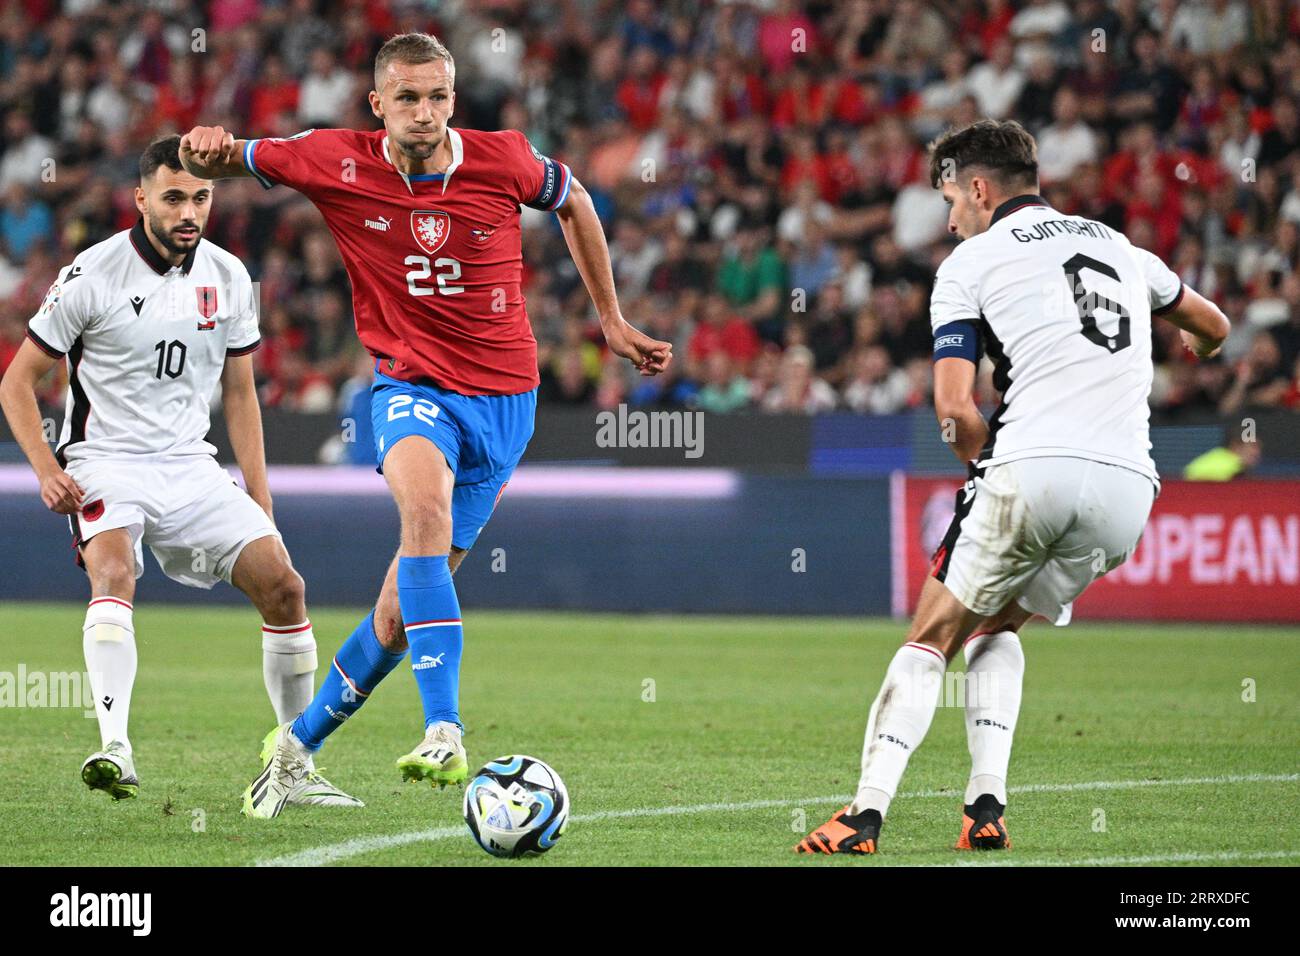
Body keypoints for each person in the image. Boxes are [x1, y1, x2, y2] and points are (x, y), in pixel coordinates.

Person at [178, 32, 672, 818]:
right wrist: (205, 147)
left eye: (437, 96)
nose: (424, 112)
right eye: (406, 98)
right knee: (424, 516)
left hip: (507, 404)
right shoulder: (333, 158)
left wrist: (610, 320)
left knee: (396, 617)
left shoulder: (503, 158)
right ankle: (444, 727)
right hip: (411, 388)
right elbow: (227, 155)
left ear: (453, 99)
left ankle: (293, 750)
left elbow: (575, 200)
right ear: (377, 104)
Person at [795, 119, 1230, 855]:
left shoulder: (971, 263)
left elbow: (954, 408)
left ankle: (864, 814)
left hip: (1033, 466)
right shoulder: (1122, 247)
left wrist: (985, 471)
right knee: (996, 626)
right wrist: (1198, 344)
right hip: (1129, 492)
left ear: (978, 187)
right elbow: (1212, 324)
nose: (951, 217)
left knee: (930, 636)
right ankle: (985, 808)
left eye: (950, 201)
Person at [0, 136, 359, 810]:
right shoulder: (92, 274)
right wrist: (47, 470)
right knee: (114, 573)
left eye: (200, 196)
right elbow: (17, 383)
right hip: (106, 462)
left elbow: (241, 394)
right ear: (140, 200)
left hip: (190, 465)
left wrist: (260, 492)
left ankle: (293, 763)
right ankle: (114, 747)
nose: (189, 210)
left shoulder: (228, 277)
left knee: (285, 588)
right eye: (173, 197)